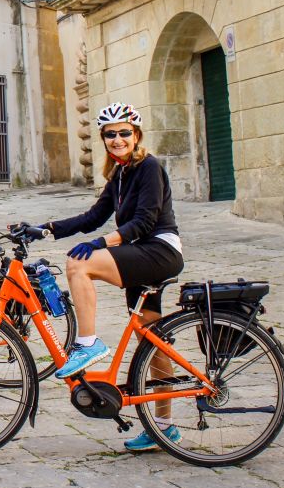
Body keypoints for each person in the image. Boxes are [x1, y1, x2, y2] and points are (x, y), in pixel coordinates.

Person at [34, 102, 183, 452]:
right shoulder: (119, 174)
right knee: (153, 341)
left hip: (158, 251)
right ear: (103, 139)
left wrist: (102, 243)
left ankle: (87, 343)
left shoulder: (149, 167)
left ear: (137, 135)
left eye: (124, 133)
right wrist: (43, 230)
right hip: (140, 256)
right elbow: (93, 216)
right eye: (110, 134)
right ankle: (164, 427)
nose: (117, 139)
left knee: (79, 264)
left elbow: (145, 222)